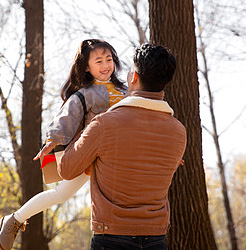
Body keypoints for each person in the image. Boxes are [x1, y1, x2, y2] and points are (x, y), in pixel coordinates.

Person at [0, 39, 127, 250]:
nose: (105, 66)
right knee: (61, 194)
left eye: (109, 59)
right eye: (99, 61)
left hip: (120, 158)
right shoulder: (85, 94)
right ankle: (15, 219)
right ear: (86, 67)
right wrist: (51, 141)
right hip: (92, 155)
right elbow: (65, 119)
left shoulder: (127, 91)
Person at [57, 43, 187, 250]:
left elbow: (66, 169)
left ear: (134, 77)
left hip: (111, 236)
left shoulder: (103, 124)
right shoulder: (179, 131)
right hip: (156, 238)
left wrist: (83, 128)